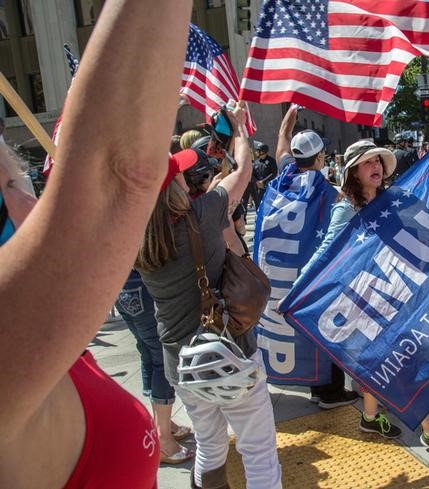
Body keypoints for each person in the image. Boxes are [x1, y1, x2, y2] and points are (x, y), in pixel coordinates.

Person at [0, 2, 192, 487]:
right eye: (6, 189)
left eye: (23, 182)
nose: (31, 205)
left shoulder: (47, 333)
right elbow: (120, 173)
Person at [137, 102, 282, 489]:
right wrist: (239, 130)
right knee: (258, 449)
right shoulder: (204, 214)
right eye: (180, 175)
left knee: (210, 445)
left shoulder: (136, 241)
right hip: (229, 350)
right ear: (173, 186)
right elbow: (242, 169)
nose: (188, 176)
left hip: (180, 362)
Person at [297, 140, 429, 464]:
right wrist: (299, 286)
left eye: (377, 160)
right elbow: (326, 251)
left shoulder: (395, 198)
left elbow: (422, 233)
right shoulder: (346, 207)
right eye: (366, 162)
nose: (375, 166)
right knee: (398, 366)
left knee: (376, 367)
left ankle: (370, 418)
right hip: (367, 299)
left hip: (401, 293)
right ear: (353, 172)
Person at [271, 104, 360, 409]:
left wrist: (286, 124)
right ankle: (329, 391)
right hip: (317, 274)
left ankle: (315, 385)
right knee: (324, 328)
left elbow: (281, 146)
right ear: (321, 158)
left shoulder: (285, 177)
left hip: (286, 273)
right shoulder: (328, 191)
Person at [115, 270, 194, 464]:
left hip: (123, 284)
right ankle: (164, 438)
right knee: (161, 357)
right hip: (143, 282)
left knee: (148, 351)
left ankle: (163, 425)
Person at [243, 143, 277, 210]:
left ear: (263, 151)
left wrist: (263, 182)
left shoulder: (271, 161)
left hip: (268, 187)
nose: (256, 152)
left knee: (268, 206)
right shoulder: (256, 162)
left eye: (258, 151)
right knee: (259, 206)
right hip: (257, 188)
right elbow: (252, 174)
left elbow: (274, 173)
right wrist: (257, 182)